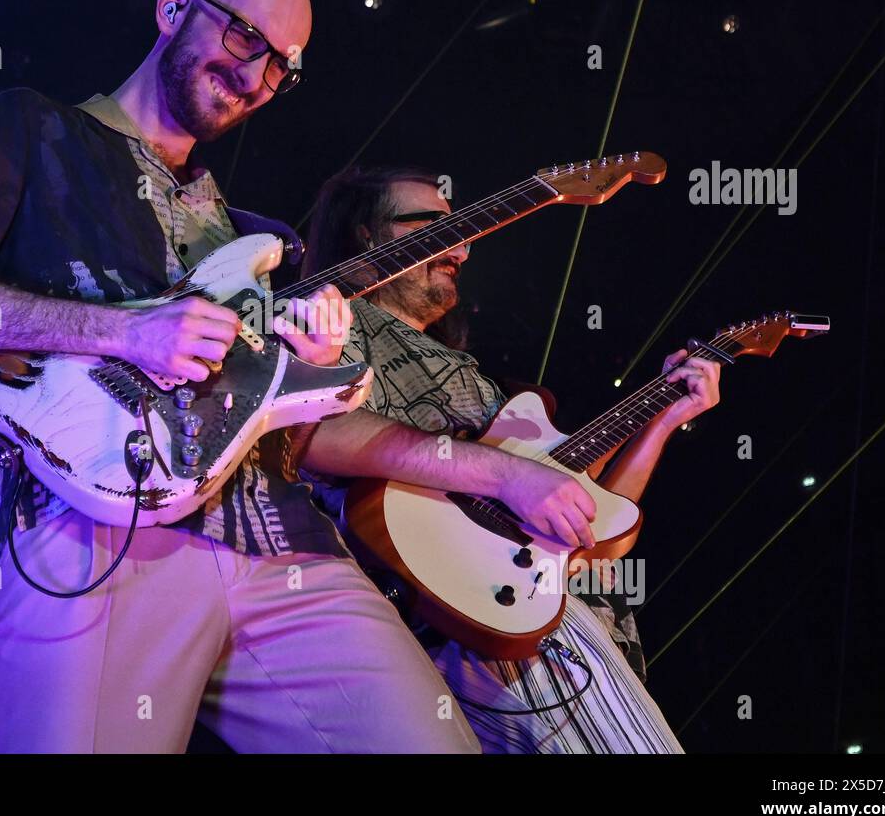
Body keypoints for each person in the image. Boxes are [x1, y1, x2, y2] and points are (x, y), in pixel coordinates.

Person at [0, 0, 503, 753]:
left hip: (280, 543)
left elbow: (290, 428)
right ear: (172, 9)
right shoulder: (29, 126)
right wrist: (124, 331)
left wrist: (316, 365)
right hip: (95, 534)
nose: (259, 78)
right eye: (244, 39)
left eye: (282, 68)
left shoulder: (255, 238)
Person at [299, 165, 723, 753]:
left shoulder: (466, 371)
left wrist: (664, 418)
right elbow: (313, 432)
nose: (463, 248)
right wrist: (509, 473)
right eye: (435, 226)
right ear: (367, 234)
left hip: (540, 606)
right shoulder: (329, 318)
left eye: (463, 230)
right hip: (474, 614)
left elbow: (590, 513)